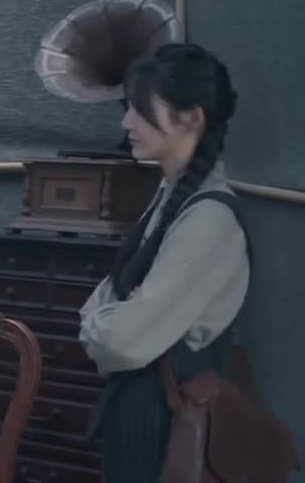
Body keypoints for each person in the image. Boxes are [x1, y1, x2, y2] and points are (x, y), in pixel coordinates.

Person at [78, 43, 246, 482]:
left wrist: (102, 324)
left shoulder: (209, 217)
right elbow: (108, 299)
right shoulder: (172, 194)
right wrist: (110, 318)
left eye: (140, 110)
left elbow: (122, 341)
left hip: (166, 416)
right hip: (141, 408)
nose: (126, 123)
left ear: (192, 118)